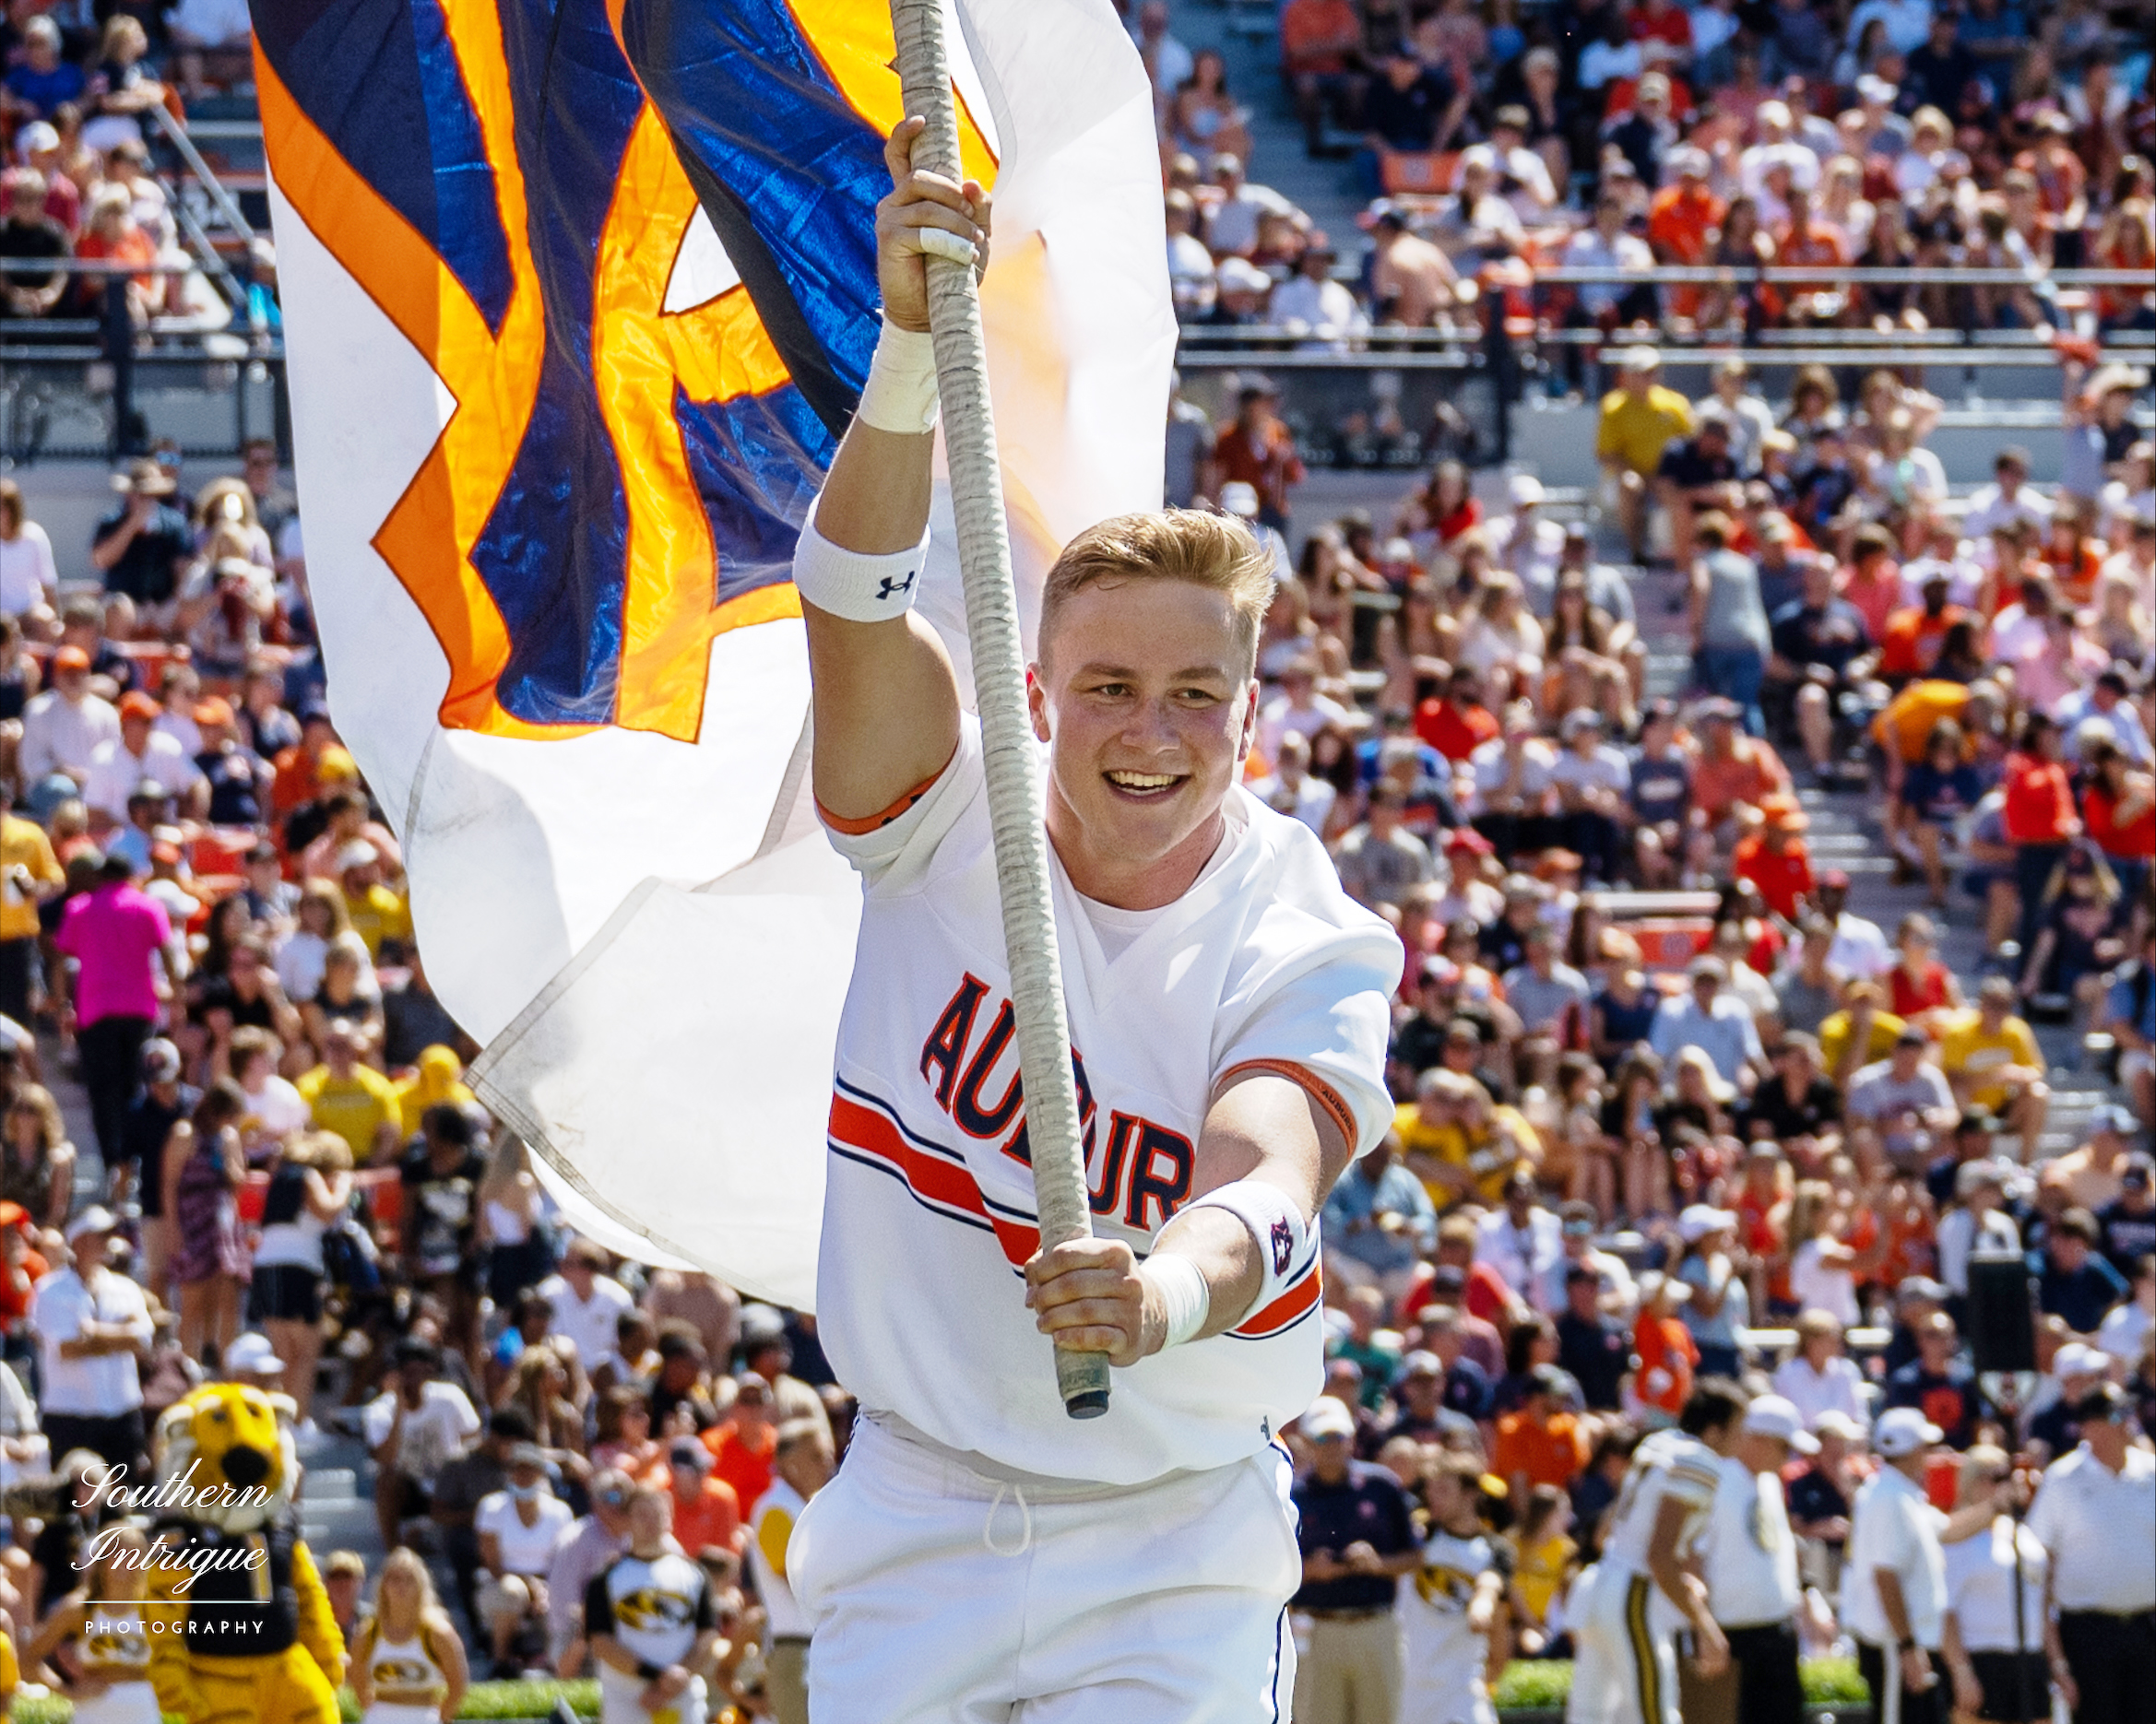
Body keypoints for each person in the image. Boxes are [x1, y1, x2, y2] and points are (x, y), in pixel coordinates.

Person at [799, 142, 1399, 1724]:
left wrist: (1162, 1296)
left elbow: (1265, 1172)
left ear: (1249, 717)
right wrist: (910, 356)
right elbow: (850, 601)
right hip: (911, 1515)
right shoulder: (947, 810)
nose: (1154, 731)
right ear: (1037, 692)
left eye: (1197, 693)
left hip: (1172, 1538)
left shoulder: (1303, 924)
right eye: (1112, 689)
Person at [1564, 1379, 1739, 1724]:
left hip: (1600, 1583)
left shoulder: (1660, 1443)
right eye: (1737, 1428)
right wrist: (1706, 1627)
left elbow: (1605, 1534)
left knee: (1592, 1716)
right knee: (1655, 1713)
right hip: (1633, 1593)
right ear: (1716, 1430)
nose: (1741, 1438)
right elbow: (1658, 1557)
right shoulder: (1699, 1461)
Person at [2024, 1383, 2155, 1724]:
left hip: (2147, 1629)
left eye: (2129, 1413)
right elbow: (2043, 1569)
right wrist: (2057, 1660)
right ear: (2089, 1427)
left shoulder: (2151, 1472)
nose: (2128, 1422)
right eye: (2117, 1414)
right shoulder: (2063, 1480)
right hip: (2087, 1635)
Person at [52, 853, 186, 1176]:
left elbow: (59, 961)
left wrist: (60, 1004)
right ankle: (133, 1163)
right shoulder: (147, 906)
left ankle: (113, 1162)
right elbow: (168, 953)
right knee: (135, 1087)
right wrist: (178, 996)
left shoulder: (80, 908)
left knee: (102, 1091)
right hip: (139, 1010)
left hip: (95, 1012)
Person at [1289, 1395, 1420, 1724]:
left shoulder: (1382, 1487)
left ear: (1352, 1438)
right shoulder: (1293, 1495)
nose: (1332, 1445)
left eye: (1339, 1436)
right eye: (1322, 1437)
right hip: (1318, 1629)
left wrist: (1377, 1564)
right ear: (1307, 1442)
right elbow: (1272, 1567)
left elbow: (1415, 1555)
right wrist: (1309, 1571)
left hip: (1374, 1625)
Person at [1700, 1396, 1816, 1724]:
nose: (1788, 1459)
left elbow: (1778, 1549)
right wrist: (1705, 1628)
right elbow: (1696, 1558)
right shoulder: (1717, 1480)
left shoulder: (1769, 1482)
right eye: (1784, 1448)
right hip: (1731, 1637)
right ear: (1759, 1440)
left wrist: (1804, 1599)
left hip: (1776, 1632)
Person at [1847, 1406, 1955, 1724]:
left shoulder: (1900, 1494)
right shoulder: (1889, 1499)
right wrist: (1907, 1647)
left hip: (1905, 1643)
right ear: (1913, 1450)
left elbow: (1948, 1529)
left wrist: (1997, 1505)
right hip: (1895, 1646)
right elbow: (1885, 1577)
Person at [586, 1486, 723, 1724]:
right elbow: (601, 1642)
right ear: (627, 1520)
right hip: (627, 1698)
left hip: (683, 1697)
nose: (650, 1522)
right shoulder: (606, 1578)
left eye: (658, 1514)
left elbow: (709, 1633)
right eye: (642, 1515)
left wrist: (680, 1675)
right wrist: (655, 1676)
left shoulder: (694, 1573)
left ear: (669, 1519)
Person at [1940, 1446, 2051, 1724]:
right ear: (1972, 1482)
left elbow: (2041, 1602)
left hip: (2030, 1656)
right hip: (1984, 1659)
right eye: (1996, 1476)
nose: (2007, 1484)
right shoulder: (1957, 1539)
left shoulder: (2022, 1533)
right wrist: (1962, 1672)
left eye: (2009, 1475)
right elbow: (1944, 1609)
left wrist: (2056, 1664)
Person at [1400, 1451, 1510, 1724]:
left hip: (1461, 1689)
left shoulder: (1494, 1549)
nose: (1434, 1498)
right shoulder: (1416, 1536)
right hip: (1409, 1689)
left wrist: (1482, 1605)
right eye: (1432, 1490)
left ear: (1470, 1494)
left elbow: (1491, 1588)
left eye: (1444, 1490)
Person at [22, 1521, 160, 1724]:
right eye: (116, 1553)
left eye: (132, 1555)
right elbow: (28, 1661)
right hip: (91, 1716)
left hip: (144, 1715)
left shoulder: (156, 1608)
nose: (124, 1563)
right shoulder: (79, 1608)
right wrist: (68, 1690)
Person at [746, 1418, 835, 1724]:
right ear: (788, 1462)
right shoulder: (775, 1508)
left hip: (815, 1647)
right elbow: (795, 1578)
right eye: (816, 1455)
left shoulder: (805, 1506)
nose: (828, 1462)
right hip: (796, 1650)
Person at [475, 1443, 574, 1676]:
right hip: (500, 1583)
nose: (523, 1475)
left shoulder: (560, 1512)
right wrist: (531, 1586)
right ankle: (500, 1664)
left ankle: (555, 1668)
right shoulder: (491, 1507)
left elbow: (563, 1562)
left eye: (530, 1469)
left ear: (541, 1473)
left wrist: (546, 1589)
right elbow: (493, 1564)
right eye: (517, 1469)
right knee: (511, 1592)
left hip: (549, 1583)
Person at [349, 1546, 469, 1724]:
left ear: (420, 1585)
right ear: (383, 1585)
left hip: (424, 1715)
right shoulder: (367, 1633)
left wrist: (440, 1717)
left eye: (409, 1579)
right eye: (395, 1579)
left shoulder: (437, 1633)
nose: (401, 1586)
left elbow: (458, 1685)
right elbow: (358, 1683)